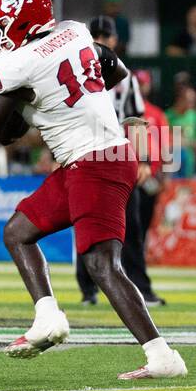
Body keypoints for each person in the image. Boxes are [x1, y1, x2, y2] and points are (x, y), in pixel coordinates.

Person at [0, 0, 186, 380]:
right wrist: (73, 103)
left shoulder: (17, 66)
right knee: (18, 231)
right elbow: (115, 68)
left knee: (102, 264)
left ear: (22, 22)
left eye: (0, 26)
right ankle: (48, 317)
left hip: (96, 162)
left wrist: (19, 101)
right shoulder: (73, 32)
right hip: (85, 161)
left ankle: (162, 355)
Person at [75, 16, 162, 306]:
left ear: (114, 40)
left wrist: (144, 160)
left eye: (105, 36)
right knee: (87, 221)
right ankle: (88, 289)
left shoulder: (126, 78)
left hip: (120, 157)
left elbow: (136, 120)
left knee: (132, 226)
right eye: (96, 36)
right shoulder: (77, 72)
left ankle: (141, 288)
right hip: (87, 154)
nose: (101, 40)